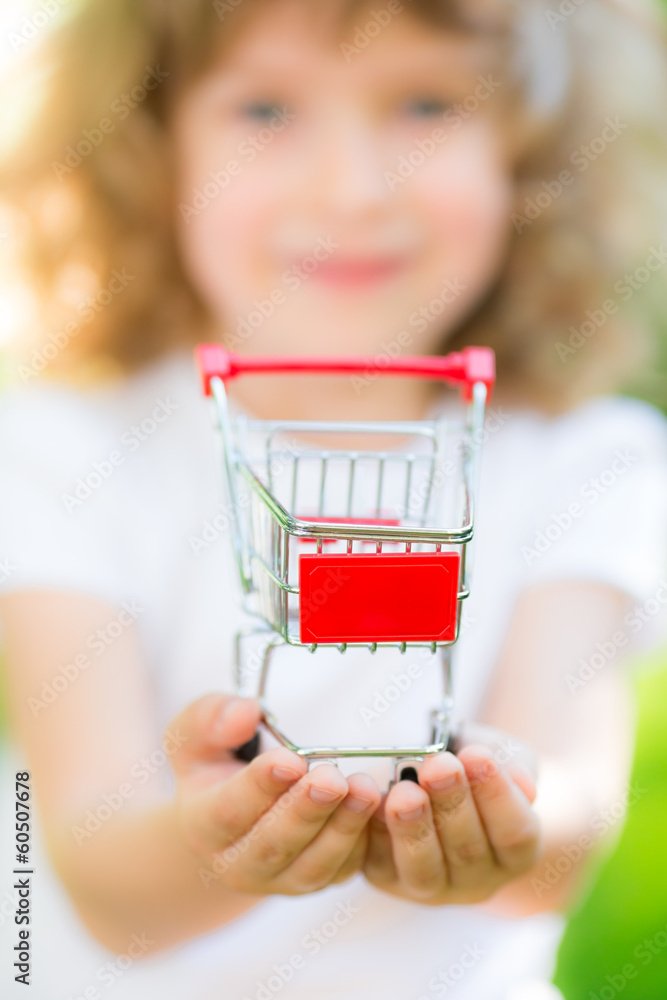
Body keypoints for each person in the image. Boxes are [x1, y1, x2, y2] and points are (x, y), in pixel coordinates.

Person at [1, 1, 666, 998]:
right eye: (265, 110)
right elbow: (100, 870)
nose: (350, 188)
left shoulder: (590, 462)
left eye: (426, 103)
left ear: (527, 159)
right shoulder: (59, 452)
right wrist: (210, 842)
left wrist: (505, 818)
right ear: (151, 148)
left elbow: (562, 834)